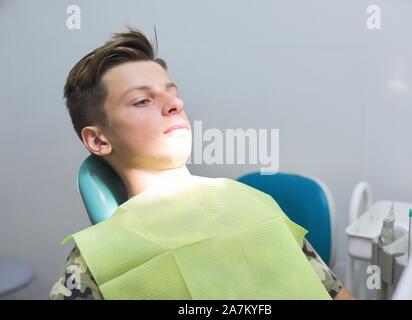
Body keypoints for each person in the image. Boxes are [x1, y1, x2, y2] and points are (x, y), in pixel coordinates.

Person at [50, 26, 355, 300]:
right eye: (142, 100)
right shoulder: (95, 263)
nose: (175, 105)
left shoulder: (256, 203)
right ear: (99, 140)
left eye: (173, 94)